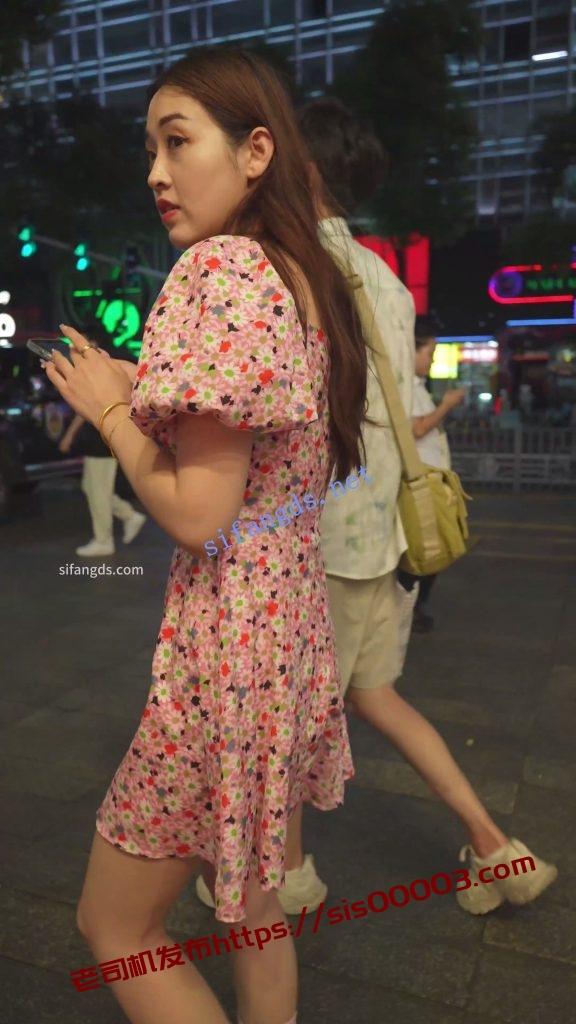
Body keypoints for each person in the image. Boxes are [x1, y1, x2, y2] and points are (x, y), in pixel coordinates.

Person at [43, 48, 369, 1024]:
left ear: (255, 151)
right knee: (256, 905)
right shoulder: (301, 276)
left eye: (177, 141)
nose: (156, 171)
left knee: (116, 924)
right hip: (286, 642)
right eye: (151, 148)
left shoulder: (220, 269)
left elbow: (197, 513)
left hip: (223, 656)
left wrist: (109, 408)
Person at [196, 97, 558, 922]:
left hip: (314, 534)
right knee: (376, 696)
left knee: (285, 713)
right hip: (384, 532)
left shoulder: (287, 266)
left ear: (303, 166)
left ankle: (290, 876)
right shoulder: (386, 278)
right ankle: (495, 846)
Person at [397, 318, 465, 632]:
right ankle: (410, 609)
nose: (433, 360)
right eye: (429, 353)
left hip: (432, 481)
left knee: (435, 547)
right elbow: (418, 428)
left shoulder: (418, 387)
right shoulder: (405, 387)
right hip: (419, 483)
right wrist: (447, 405)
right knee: (423, 549)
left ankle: (416, 606)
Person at [59, 401, 146, 556]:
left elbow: (85, 407)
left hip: (100, 441)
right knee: (91, 487)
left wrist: (69, 435)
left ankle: (104, 540)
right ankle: (129, 516)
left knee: (98, 492)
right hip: (102, 438)